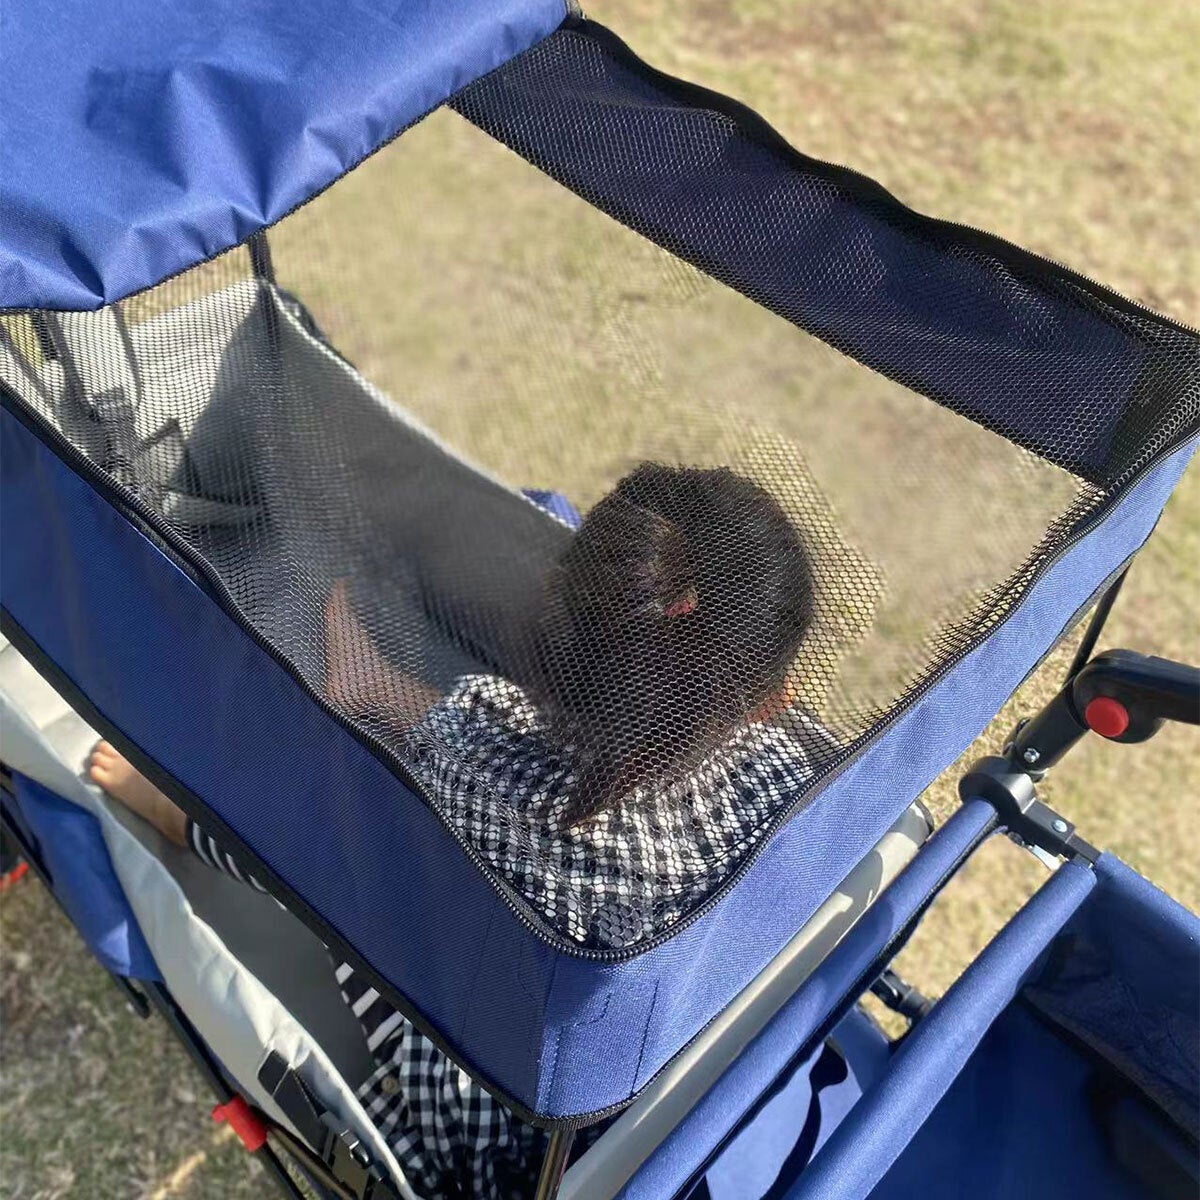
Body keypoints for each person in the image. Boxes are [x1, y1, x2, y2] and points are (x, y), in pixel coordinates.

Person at [90, 463, 827, 1199]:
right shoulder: (802, 776)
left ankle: (187, 815)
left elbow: (476, 764)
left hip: (530, 1134)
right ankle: (378, 692)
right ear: (769, 698)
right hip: (719, 1083)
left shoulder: (511, 778)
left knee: (349, 834)